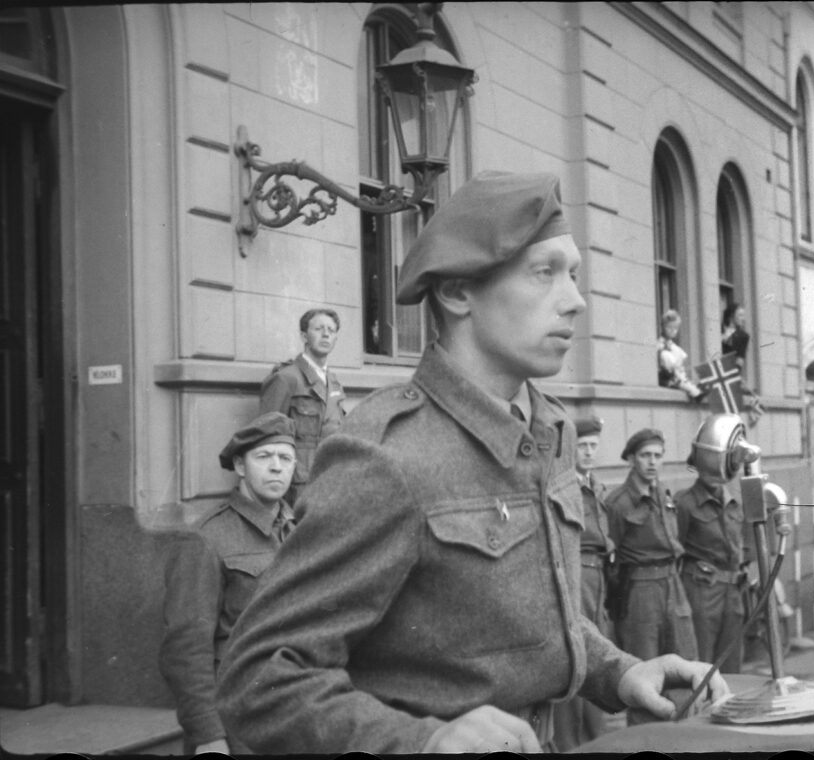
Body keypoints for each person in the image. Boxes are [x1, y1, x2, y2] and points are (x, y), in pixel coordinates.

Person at [215, 171, 726, 754]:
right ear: (458, 292)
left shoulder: (549, 427)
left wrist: (620, 672)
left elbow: (529, 612)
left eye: (574, 274)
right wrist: (421, 742)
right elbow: (259, 677)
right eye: (544, 273)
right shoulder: (387, 454)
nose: (576, 299)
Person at [158, 412, 298, 755]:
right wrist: (208, 736)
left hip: (290, 710)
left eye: (286, 458)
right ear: (239, 466)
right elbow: (186, 649)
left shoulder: (298, 532)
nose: (277, 467)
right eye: (264, 457)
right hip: (234, 718)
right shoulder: (206, 537)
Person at [605, 428, 699, 662]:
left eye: (658, 456)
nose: (652, 462)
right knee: (645, 659)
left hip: (672, 584)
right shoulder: (619, 503)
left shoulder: (664, 496)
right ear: (631, 459)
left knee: (684, 655)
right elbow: (610, 557)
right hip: (640, 590)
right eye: (645, 455)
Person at [551, 414, 615, 752]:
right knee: (577, 656)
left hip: (598, 577)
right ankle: (570, 744)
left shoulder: (597, 487)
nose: (588, 452)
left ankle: (597, 740)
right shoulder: (566, 486)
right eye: (582, 446)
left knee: (598, 655)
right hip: (577, 576)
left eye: (593, 446)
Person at [258, 307, 347, 503]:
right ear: (304, 336)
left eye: (331, 331)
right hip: (298, 483)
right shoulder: (286, 378)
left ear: (335, 340)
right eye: (319, 329)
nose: (326, 334)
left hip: (332, 478)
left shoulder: (334, 383)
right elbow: (267, 436)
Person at [675, 444, 749, 674]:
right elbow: (675, 553)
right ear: (698, 468)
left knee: (732, 665)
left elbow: (744, 548)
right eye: (711, 468)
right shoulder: (685, 503)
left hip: (733, 592)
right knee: (702, 665)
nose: (717, 475)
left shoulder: (734, 503)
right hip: (702, 592)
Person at [657, 310, 704, 400]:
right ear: (663, 327)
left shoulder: (675, 347)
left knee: (685, 380)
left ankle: (696, 390)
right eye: (669, 327)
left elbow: (680, 364)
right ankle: (695, 393)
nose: (672, 331)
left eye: (675, 328)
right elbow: (666, 363)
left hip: (677, 375)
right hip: (666, 377)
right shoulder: (660, 345)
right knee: (680, 382)